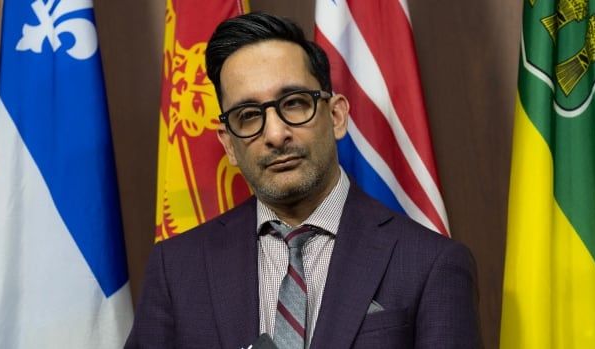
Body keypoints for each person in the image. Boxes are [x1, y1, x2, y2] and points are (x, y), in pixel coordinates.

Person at [126, 12, 481, 349]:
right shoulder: (176, 269)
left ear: (337, 115)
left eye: (294, 103)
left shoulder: (431, 263)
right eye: (248, 115)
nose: (276, 134)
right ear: (228, 144)